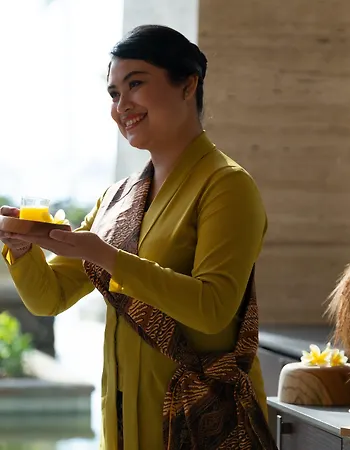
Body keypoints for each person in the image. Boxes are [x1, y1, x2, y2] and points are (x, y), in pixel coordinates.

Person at [0, 25, 276, 449]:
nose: (121, 106)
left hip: (203, 423)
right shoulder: (117, 198)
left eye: (135, 84)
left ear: (187, 85)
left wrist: (108, 257)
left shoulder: (226, 185)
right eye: (114, 93)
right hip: (123, 422)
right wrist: (22, 250)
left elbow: (213, 309)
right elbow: (49, 298)